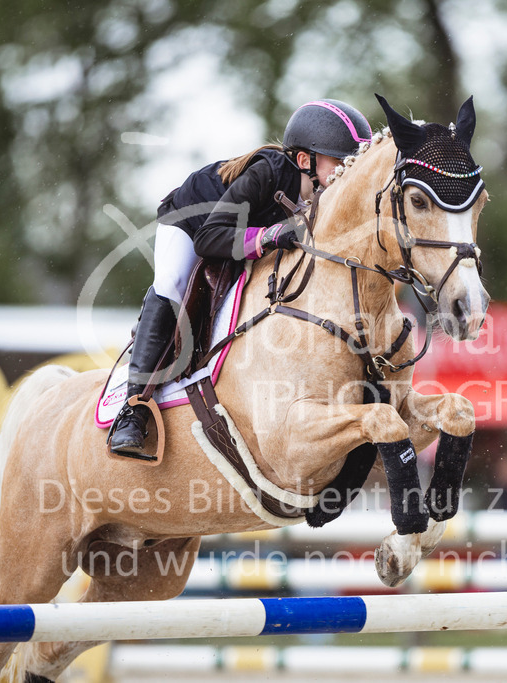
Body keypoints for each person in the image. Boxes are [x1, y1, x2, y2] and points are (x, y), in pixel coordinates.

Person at [108, 99, 373, 457]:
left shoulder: (326, 197)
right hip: (192, 222)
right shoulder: (268, 173)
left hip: (234, 235)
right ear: (304, 160)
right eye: (340, 162)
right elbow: (208, 239)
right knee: (172, 282)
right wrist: (267, 236)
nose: (348, 171)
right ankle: (133, 409)